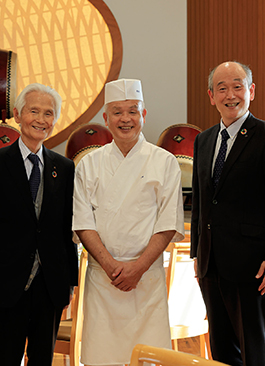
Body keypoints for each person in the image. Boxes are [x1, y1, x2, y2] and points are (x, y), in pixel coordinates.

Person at [191, 61, 265, 366]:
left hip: (255, 267)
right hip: (211, 264)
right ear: (211, 96)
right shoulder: (205, 139)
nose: (230, 94)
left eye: (237, 86)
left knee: (253, 350)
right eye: (221, 88)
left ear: (251, 91)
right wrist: (198, 254)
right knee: (222, 350)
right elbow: (201, 199)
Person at [73, 79, 185, 365]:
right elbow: (83, 221)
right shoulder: (88, 164)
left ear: (143, 115)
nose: (126, 119)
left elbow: (168, 222)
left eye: (133, 111)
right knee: (101, 358)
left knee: (148, 358)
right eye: (118, 112)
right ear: (106, 118)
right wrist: (112, 266)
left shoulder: (164, 161)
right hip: (102, 279)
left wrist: (138, 268)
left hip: (146, 279)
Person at [0, 83, 79, 366]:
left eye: (48, 113)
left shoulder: (64, 168)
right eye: (34, 111)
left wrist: (70, 281)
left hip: (51, 282)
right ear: (18, 114)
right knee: (5, 358)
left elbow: (67, 227)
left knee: (42, 359)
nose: (40, 120)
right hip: (7, 282)